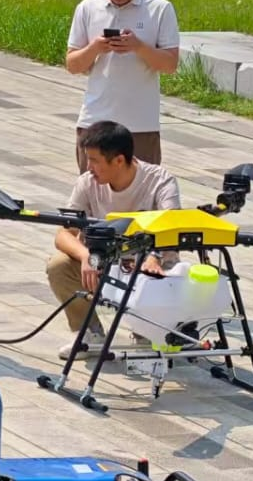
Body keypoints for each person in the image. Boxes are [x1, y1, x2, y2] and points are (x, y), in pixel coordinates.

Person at [46, 121, 180, 361]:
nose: (89, 167)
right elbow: (63, 234)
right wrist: (86, 255)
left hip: (150, 267)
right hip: (105, 263)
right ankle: (89, 333)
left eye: (95, 161)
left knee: (153, 329)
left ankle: (149, 327)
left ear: (119, 160)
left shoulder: (160, 181)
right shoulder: (87, 183)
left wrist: (154, 257)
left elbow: (172, 229)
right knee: (58, 265)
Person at [66, 0, 180, 172]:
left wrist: (138, 47)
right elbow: (72, 64)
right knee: (92, 196)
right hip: (95, 121)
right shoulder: (88, 8)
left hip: (140, 126)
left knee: (142, 198)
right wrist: (96, 48)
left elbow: (170, 64)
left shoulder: (160, 9)